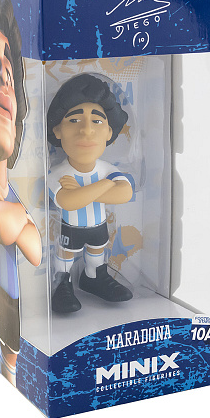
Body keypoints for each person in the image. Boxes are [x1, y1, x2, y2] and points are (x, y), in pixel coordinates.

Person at [0, 0, 42, 383]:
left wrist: (17, 218)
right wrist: (20, 219)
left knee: (12, 368)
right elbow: (6, 227)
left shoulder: (8, 191)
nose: (4, 74)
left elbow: (35, 251)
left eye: (11, 72)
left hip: (14, 302)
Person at [47, 74, 133, 313]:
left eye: (96, 121)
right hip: (70, 228)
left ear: (109, 132)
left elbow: (124, 193)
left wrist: (84, 192)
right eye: (74, 120)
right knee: (65, 255)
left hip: (98, 226)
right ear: (57, 130)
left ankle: (94, 277)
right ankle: (62, 283)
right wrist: (105, 185)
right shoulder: (57, 173)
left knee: (97, 252)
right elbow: (67, 201)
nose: (86, 130)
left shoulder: (107, 169)